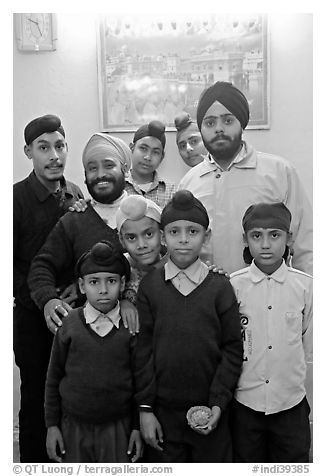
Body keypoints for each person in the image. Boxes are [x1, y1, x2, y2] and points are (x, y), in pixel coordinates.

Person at [134, 190, 243, 463]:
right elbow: (143, 350)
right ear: (163, 236)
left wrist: (218, 402)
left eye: (192, 231)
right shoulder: (150, 287)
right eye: (174, 232)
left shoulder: (220, 288)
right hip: (162, 414)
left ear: (205, 237)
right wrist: (145, 409)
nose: (183, 239)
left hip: (210, 412)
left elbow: (232, 349)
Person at [178, 81, 313, 275]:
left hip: (269, 297)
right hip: (206, 298)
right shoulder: (190, 182)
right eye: (209, 123)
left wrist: (311, 298)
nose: (218, 129)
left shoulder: (279, 172)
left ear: (242, 123)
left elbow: (306, 244)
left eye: (227, 120)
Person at [13, 114, 83, 462]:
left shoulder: (76, 193)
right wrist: (45, 298)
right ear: (29, 151)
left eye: (60, 145)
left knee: (74, 396)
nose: (54, 155)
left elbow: (85, 253)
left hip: (76, 316)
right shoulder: (14, 200)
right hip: (31, 320)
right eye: (44, 147)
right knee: (38, 400)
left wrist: (75, 286)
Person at [28, 132, 137, 336]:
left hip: (140, 336)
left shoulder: (145, 215)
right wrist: (49, 300)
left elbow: (164, 266)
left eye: (108, 165)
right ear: (85, 177)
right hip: (88, 342)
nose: (100, 174)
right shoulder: (74, 220)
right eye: (92, 168)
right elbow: (42, 266)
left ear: (124, 169)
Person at [45, 241, 143, 463]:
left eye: (111, 281)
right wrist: (52, 426)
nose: (103, 290)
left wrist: (136, 426)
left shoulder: (130, 326)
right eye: (93, 282)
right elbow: (53, 378)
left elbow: (141, 379)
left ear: (123, 282)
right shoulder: (69, 324)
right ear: (81, 285)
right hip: (73, 428)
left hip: (118, 428)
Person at [230, 202, 312, 462]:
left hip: (290, 404)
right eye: (257, 236)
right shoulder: (232, 286)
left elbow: (309, 347)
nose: (266, 244)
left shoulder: (306, 287)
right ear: (245, 240)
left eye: (274, 235)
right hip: (245, 404)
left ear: (288, 238)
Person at [116, 194, 166, 304]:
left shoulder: (177, 267)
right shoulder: (116, 269)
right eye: (132, 238)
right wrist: (122, 305)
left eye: (149, 234)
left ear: (162, 234)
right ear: (121, 240)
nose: (142, 245)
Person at [125, 120, 176, 208]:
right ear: (131, 148)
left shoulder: (171, 191)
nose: (148, 157)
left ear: (162, 157)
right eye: (143, 148)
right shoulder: (118, 187)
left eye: (155, 152)